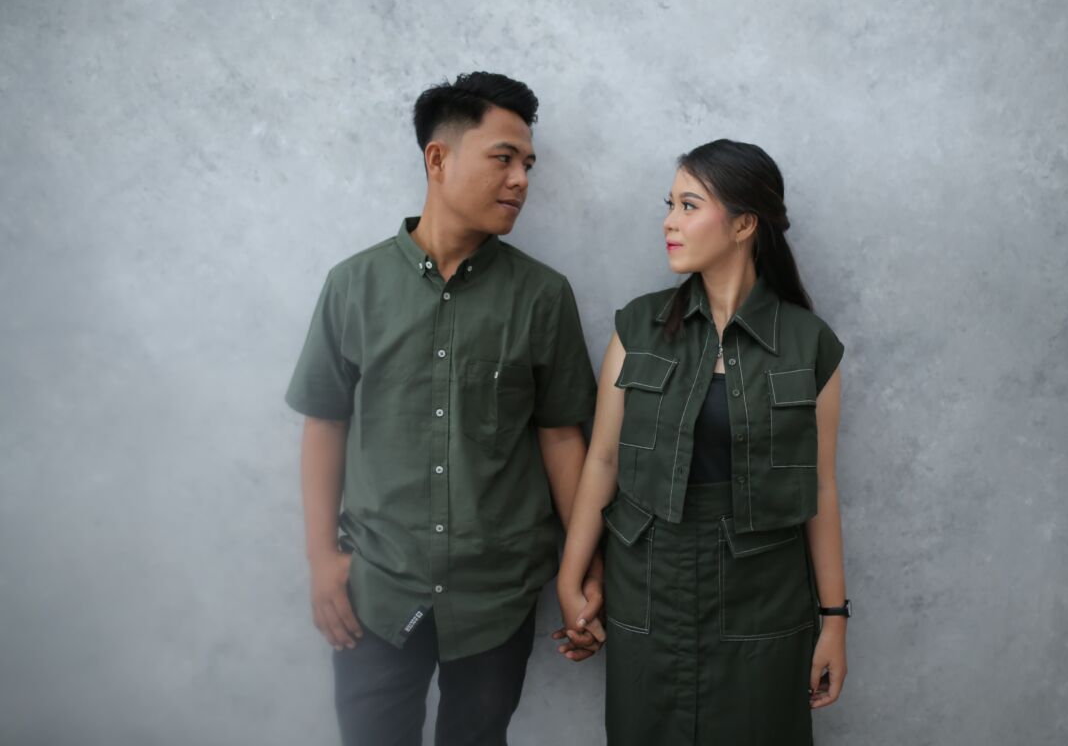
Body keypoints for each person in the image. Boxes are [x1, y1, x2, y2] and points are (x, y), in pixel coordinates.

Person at [285, 71, 603, 746]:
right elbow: (325, 423)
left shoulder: (542, 297)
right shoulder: (353, 286)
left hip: (498, 592)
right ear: (438, 159)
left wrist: (585, 570)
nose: (520, 180)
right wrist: (321, 560)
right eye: (503, 159)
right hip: (376, 587)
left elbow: (561, 439)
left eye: (528, 165)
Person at [557, 139, 851, 745]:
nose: (669, 222)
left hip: (763, 597)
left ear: (744, 224)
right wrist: (571, 575)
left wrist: (834, 620)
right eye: (669, 205)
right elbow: (603, 460)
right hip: (647, 588)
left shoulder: (809, 344)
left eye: (689, 206)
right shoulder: (638, 328)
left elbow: (820, 487)